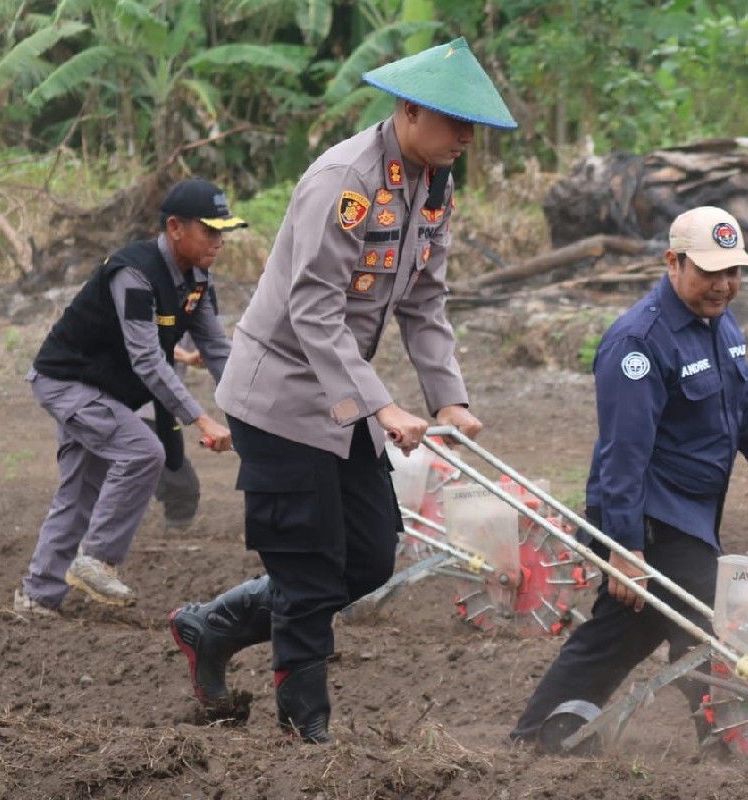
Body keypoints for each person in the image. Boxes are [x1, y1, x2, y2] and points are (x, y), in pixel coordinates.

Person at [168, 38, 518, 744]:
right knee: (306, 561)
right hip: (280, 398)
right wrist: (383, 405)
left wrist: (451, 397)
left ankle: (215, 625)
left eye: (473, 128)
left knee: (366, 556)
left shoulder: (435, 184)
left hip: (342, 398)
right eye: (457, 123)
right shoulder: (345, 184)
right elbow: (314, 310)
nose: (466, 140)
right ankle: (308, 732)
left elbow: (425, 301)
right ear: (412, 111)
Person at [509, 206, 748, 751]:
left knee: (624, 630)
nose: (724, 285)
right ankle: (733, 745)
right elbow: (622, 456)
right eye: (709, 272)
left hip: (695, 513)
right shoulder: (637, 343)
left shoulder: (722, 326)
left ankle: (541, 734)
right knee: (708, 628)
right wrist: (625, 547)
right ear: (672, 262)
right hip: (653, 519)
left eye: (734, 272)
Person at [16, 178, 240, 616]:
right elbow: (148, 360)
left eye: (223, 231)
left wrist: (249, 412)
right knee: (142, 452)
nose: (219, 240)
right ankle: (98, 558)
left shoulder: (197, 280)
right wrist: (202, 419)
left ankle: (36, 600)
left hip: (102, 390)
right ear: (175, 228)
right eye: (209, 230)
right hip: (67, 382)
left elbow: (217, 350)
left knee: (80, 493)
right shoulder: (134, 274)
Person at [139, 335, 204, 530]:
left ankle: (176, 533)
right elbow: (141, 341)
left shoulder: (196, 308)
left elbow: (209, 347)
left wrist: (202, 358)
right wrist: (185, 356)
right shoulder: (144, 305)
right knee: (179, 481)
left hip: (162, 408)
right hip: (132, 405)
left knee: (181, 484)